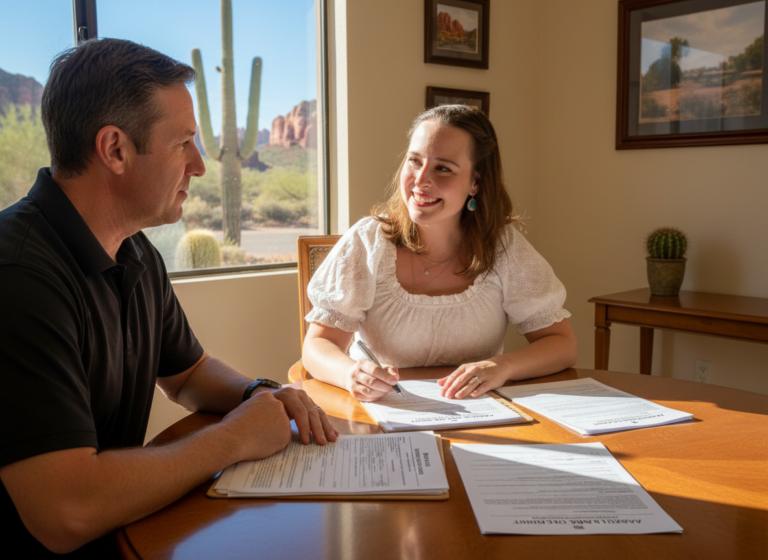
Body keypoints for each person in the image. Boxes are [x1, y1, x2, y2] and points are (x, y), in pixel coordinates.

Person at [0, 38, 337, 558]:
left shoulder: (132, 248)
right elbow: (64, 512)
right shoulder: (19, 275)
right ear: (115, 149)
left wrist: (259, 394)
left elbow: (187, 373)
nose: (200, 165)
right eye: (184, 142)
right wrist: (234, 439)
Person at [302, 105, 577, 402]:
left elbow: (561, 344)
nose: (420, 180)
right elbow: (317, 346)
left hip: (479, 418)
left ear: (476, 183)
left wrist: (503, 365)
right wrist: (350, 374)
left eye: (443, 168)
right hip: (384, 417)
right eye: (414, 161)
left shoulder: (504, 248)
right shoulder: (367, 242)